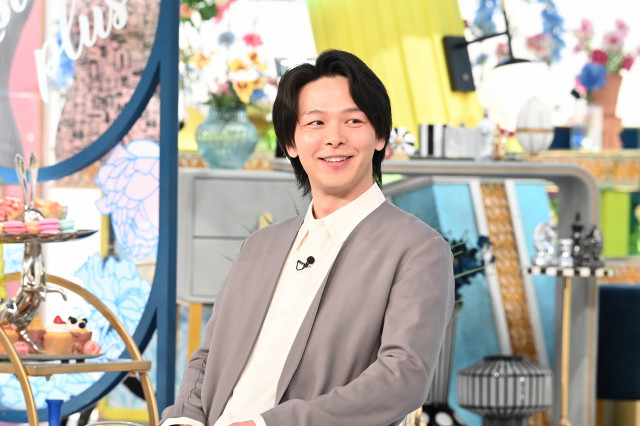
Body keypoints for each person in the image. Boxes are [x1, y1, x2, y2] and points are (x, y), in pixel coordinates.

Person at [161, 49, 454, 426]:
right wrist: (183, 419)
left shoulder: (418, 250)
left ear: (380, 136)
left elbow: (402, 378)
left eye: (353, 120)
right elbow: (208, 357)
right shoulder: (260, 246)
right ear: (291, 143)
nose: (334, 138)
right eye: (316, 122)